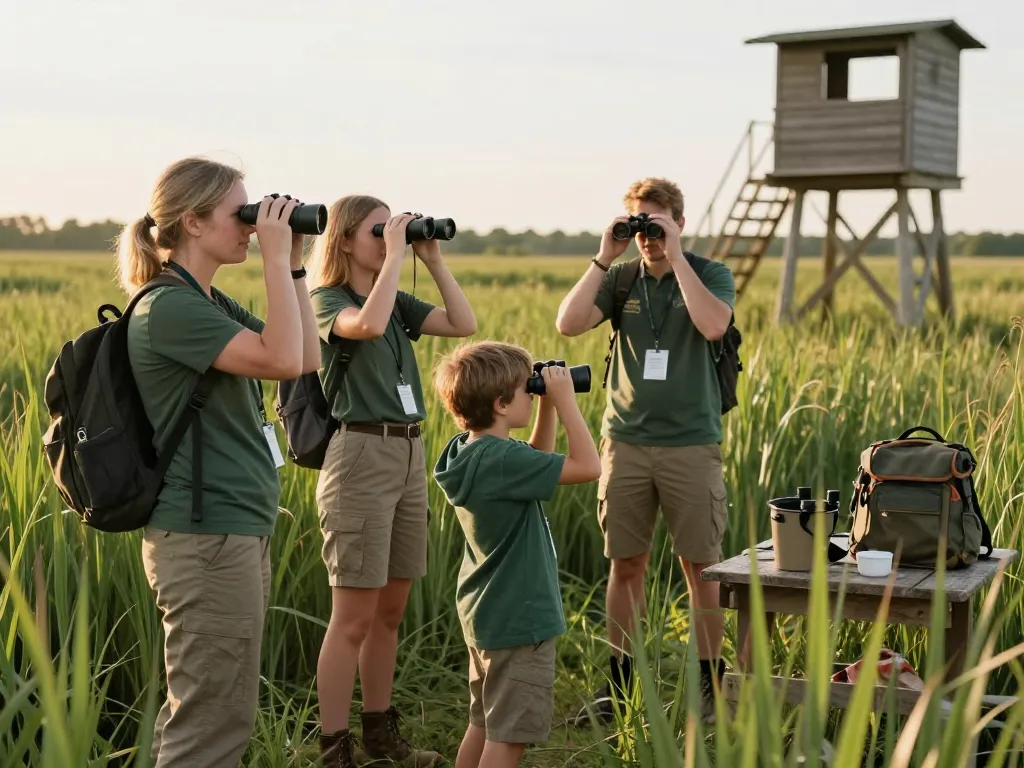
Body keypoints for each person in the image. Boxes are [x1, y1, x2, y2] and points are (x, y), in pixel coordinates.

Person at [119, 156, 322, 767]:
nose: (251, 224)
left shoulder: (205, 300)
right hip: (204, 535)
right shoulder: (170, 308)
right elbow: (282, 361)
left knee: (217, 706)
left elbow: (306, 356)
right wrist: (272, 260)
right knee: (211, 718)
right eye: (241, 213)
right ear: (194, 222)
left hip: (231, 528)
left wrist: (291, 267)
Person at [554, 177, 736, 725]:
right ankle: (619, 688)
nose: (647, 237)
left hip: (690, 444)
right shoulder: (622, 278)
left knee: (701, 567)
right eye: (638, 225)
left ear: (679, 221)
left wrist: (675, 255)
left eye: (656, 225)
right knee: (625, 564)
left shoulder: (709, 274)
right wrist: (604, 255)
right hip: (626, 442)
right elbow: (567, 324)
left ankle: (708, 686)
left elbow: (712, 325)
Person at [306, 196, 477, 767]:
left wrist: (430, 258)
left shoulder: (394, 295)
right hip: (359, 454)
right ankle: (335, 748)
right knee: (352, 615)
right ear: (343, 239)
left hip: (407, 454)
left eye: (392, 228)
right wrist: (398, 257)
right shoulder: (327, 299)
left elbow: (463, 323)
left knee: (390, 611)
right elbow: (368, 324)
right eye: (377, 231)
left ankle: (380, 734)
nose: (387, 238)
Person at [431, 341, 602, 768]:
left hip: (486, 613)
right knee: (509, 739)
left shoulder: (467, 452)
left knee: (485, 723)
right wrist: (565, 403)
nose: (534, 392)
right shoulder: (502, 460)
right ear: (501, 404)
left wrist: (544, 407)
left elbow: (537, 460)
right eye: (528, 389)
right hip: (520, 618)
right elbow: (588, 466)